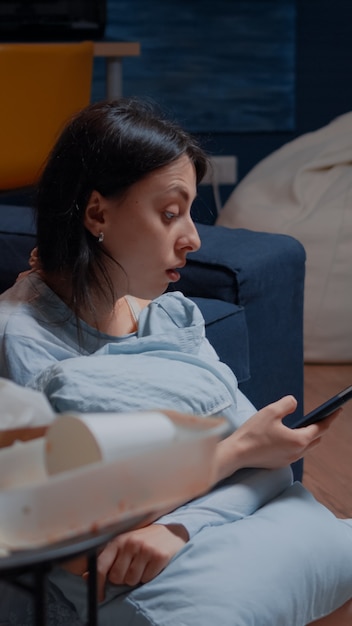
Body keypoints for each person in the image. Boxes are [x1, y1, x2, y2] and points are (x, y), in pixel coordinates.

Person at [0, 98, 352, 626]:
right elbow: (64, 540)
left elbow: (268, 468)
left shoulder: (171, 315)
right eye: (169, 214)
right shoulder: (20, 343)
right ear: (97, 212)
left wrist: (177, 527)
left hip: (195, 543)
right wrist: (230, 456)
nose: (193, 238)